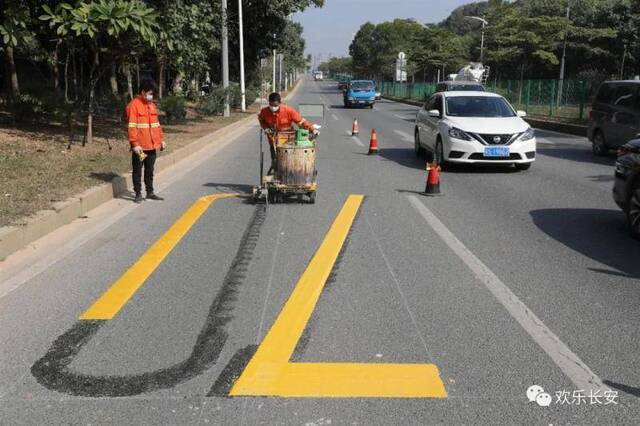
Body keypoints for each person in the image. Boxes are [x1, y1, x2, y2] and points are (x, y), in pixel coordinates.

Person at [125, 79, 165, 203]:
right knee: (138, 170)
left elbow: (156, 125)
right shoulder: (134, 105)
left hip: (152, 146)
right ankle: (138, 193)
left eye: (152, 94)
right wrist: (134, 144)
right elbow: (132, 126)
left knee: (150, 170)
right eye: (149, 93)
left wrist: (161, 140)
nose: (151, 96)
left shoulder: (151, 105)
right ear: (142, 92)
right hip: (141, 148)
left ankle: (150, 192)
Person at [258, 92, 318, 174]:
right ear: (269, 103)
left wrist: (313, 129)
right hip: (273, 140)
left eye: (275, 105)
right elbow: (262, 121)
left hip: (288, 139)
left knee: (290, 160)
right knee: (275, 160)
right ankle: (277, 175)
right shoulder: (264, 111)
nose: (273, 108)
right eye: (271, 105)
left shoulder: (288, 110)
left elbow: (301, 121)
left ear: (280, 103)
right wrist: (266, 128)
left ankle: (292, 174)